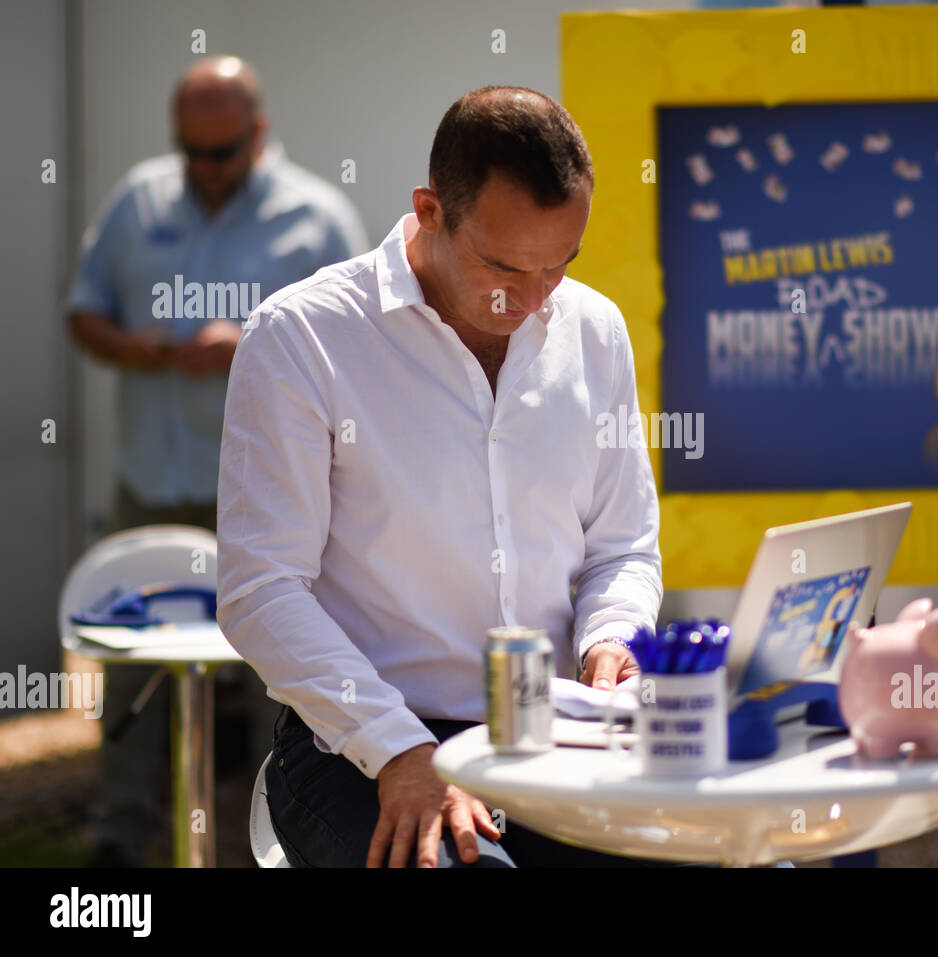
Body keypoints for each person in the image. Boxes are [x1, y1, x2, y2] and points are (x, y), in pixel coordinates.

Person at [215, 86, 667, 867]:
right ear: (429, 211)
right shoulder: (300, 338)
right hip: (358, 749)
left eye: (559, 265)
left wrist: (612, 640)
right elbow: (261, 591)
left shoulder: (596, 331)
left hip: (560, 740)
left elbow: (622, 548)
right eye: (503, 268)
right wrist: (398, 751)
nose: (530, 301)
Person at [66, 55, 369, 866]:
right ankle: (126, 836)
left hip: (273, 494)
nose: (203, 169)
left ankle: (263, 834)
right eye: (191, 152)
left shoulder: (318, 215)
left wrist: (253, 344)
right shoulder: (138, 201)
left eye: (222, 153)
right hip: (154, 479)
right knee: (135, 671)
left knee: (278, 676)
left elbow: (360, 347)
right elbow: (83, 312)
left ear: (258, 134)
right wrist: (134, 347)